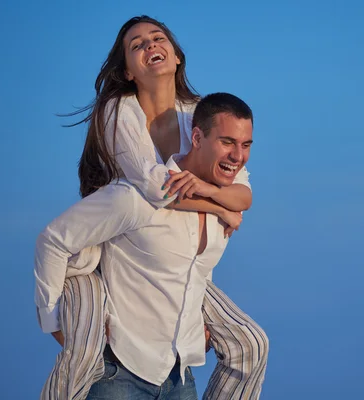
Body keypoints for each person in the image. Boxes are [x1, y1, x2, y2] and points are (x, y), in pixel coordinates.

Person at [35, 16, 268, 400]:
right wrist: (219, 207)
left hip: (173, 265)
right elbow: (156, 191)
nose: (149, 45)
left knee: (252, 343)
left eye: (157, 38)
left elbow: (243, 193)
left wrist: (219, 200)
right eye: (137, 45)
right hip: (100, 249)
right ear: (127, 70)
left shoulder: (200, 114)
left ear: (176, 56)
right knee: (84, 350)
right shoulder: (118, 111)